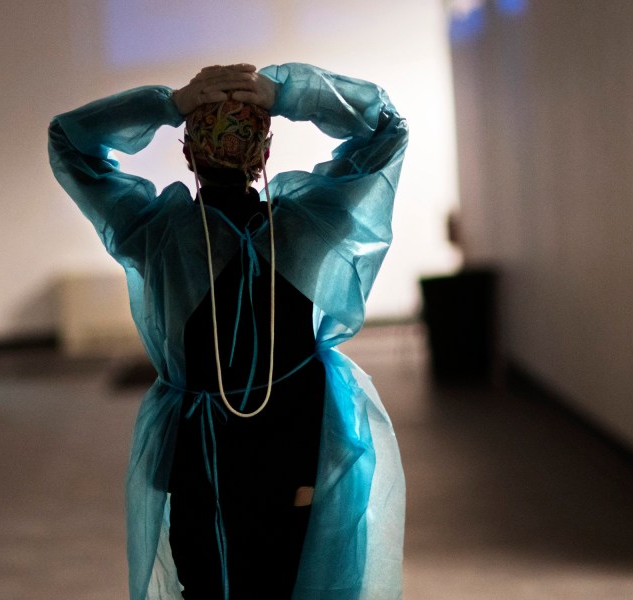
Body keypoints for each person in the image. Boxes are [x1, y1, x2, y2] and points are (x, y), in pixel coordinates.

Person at [49, 62, 408, 600]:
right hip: (295, 454)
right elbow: (387, 129)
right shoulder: (304, 227)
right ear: (265, 154)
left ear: (189, 154)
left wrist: (170, 103)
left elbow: (70, 142)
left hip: (203, 466)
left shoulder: (157, 235)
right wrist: (289, 93)